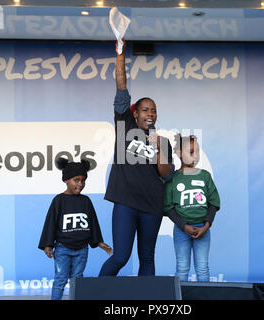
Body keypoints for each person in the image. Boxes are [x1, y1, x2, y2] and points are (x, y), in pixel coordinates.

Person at [99, 40, 174, 276]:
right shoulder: (124, 126)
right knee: (120, 256)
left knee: (147, 259)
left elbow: (167, 173)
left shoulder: (163, 141)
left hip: (152, 205)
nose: (150, 113)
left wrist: (159, 147)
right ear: (134, 113)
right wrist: (120, 52)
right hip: (126, 203)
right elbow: (121, 86)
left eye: (153, 110)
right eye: (145, 109)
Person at [39, 158, 112, 300]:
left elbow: (93, 223)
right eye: (76, 180)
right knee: (60, 279)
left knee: (77, 281)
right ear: (66, 180)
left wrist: (99, 242)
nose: (80, 184)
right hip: (62, 249)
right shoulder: (58, 200)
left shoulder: (86, 201)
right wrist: (48, 244)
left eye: (83, 180)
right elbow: (51, 223)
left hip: (82, 249)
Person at [164, 135, 220, 282]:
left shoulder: (205, 176)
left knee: (202, 268)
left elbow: (213, 203)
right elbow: (168, 207)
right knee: (182, 268)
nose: (195, 156)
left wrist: (206, 226)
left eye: (198, 152)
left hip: (203, 229)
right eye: (191, 152)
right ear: (178, 153)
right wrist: (184, 226)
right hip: (182, 231)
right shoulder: (173, 178)